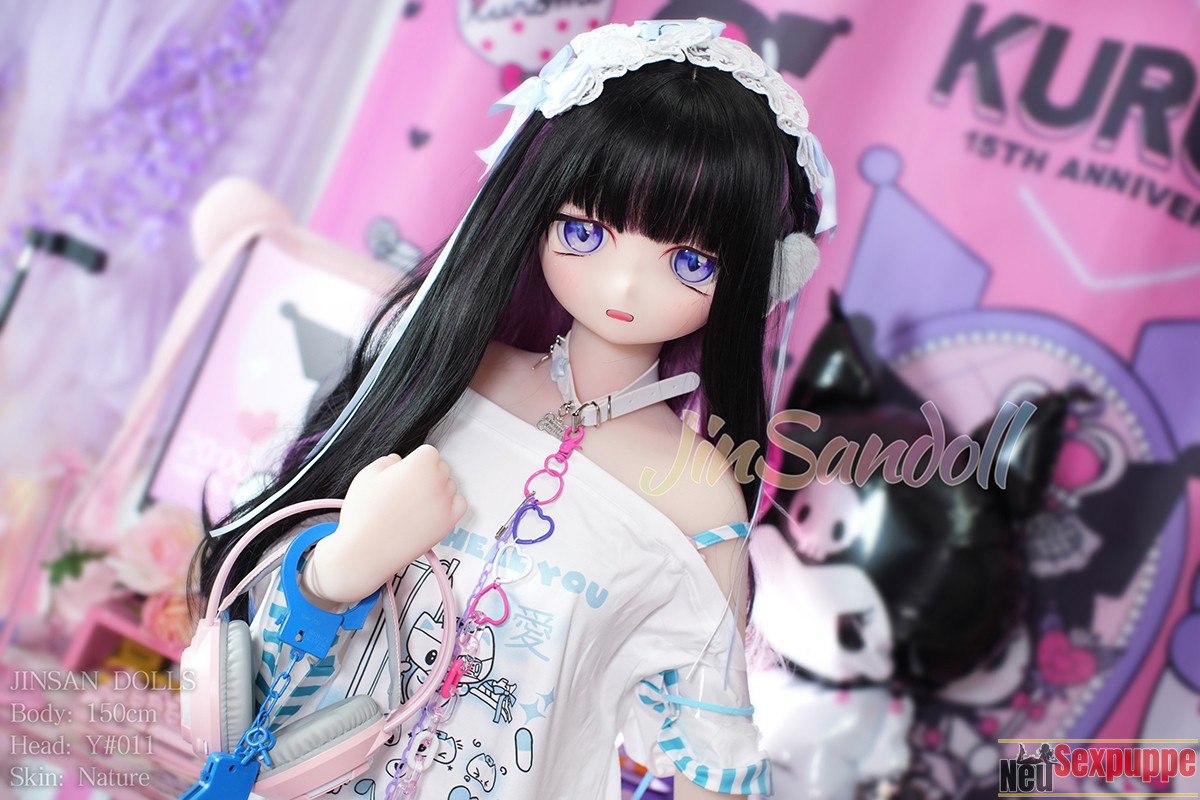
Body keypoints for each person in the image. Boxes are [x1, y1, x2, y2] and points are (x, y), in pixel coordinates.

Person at [192, 18, 832, 799]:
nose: (626, 285)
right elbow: (246, 670)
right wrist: (337, 570)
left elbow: (712, 754)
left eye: (690, 260)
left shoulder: (698, 494)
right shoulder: (445, 377)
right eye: (587, 230)